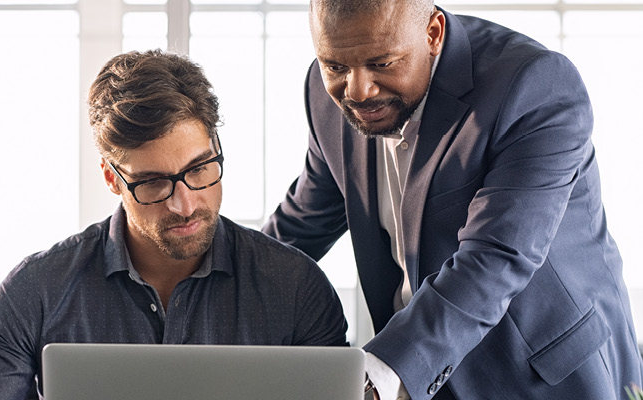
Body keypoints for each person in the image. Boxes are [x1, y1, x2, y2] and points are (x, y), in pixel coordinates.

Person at [262, 1, 643, 399]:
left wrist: (384, 372)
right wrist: (208, 275)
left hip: (543, 377)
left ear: (433, 33)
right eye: (335, 67)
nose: (358, 90)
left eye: (382, 63)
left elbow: (495, 257)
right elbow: (301, 223)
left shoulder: (535, 85)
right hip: (422, 375)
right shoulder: (324, 95)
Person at [0, 49, 349, 400]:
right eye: (152, 182)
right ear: (112, 178)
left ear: (216, 148)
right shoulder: (37, 291)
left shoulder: (299, 290)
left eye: (200, 168)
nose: (184, 204)